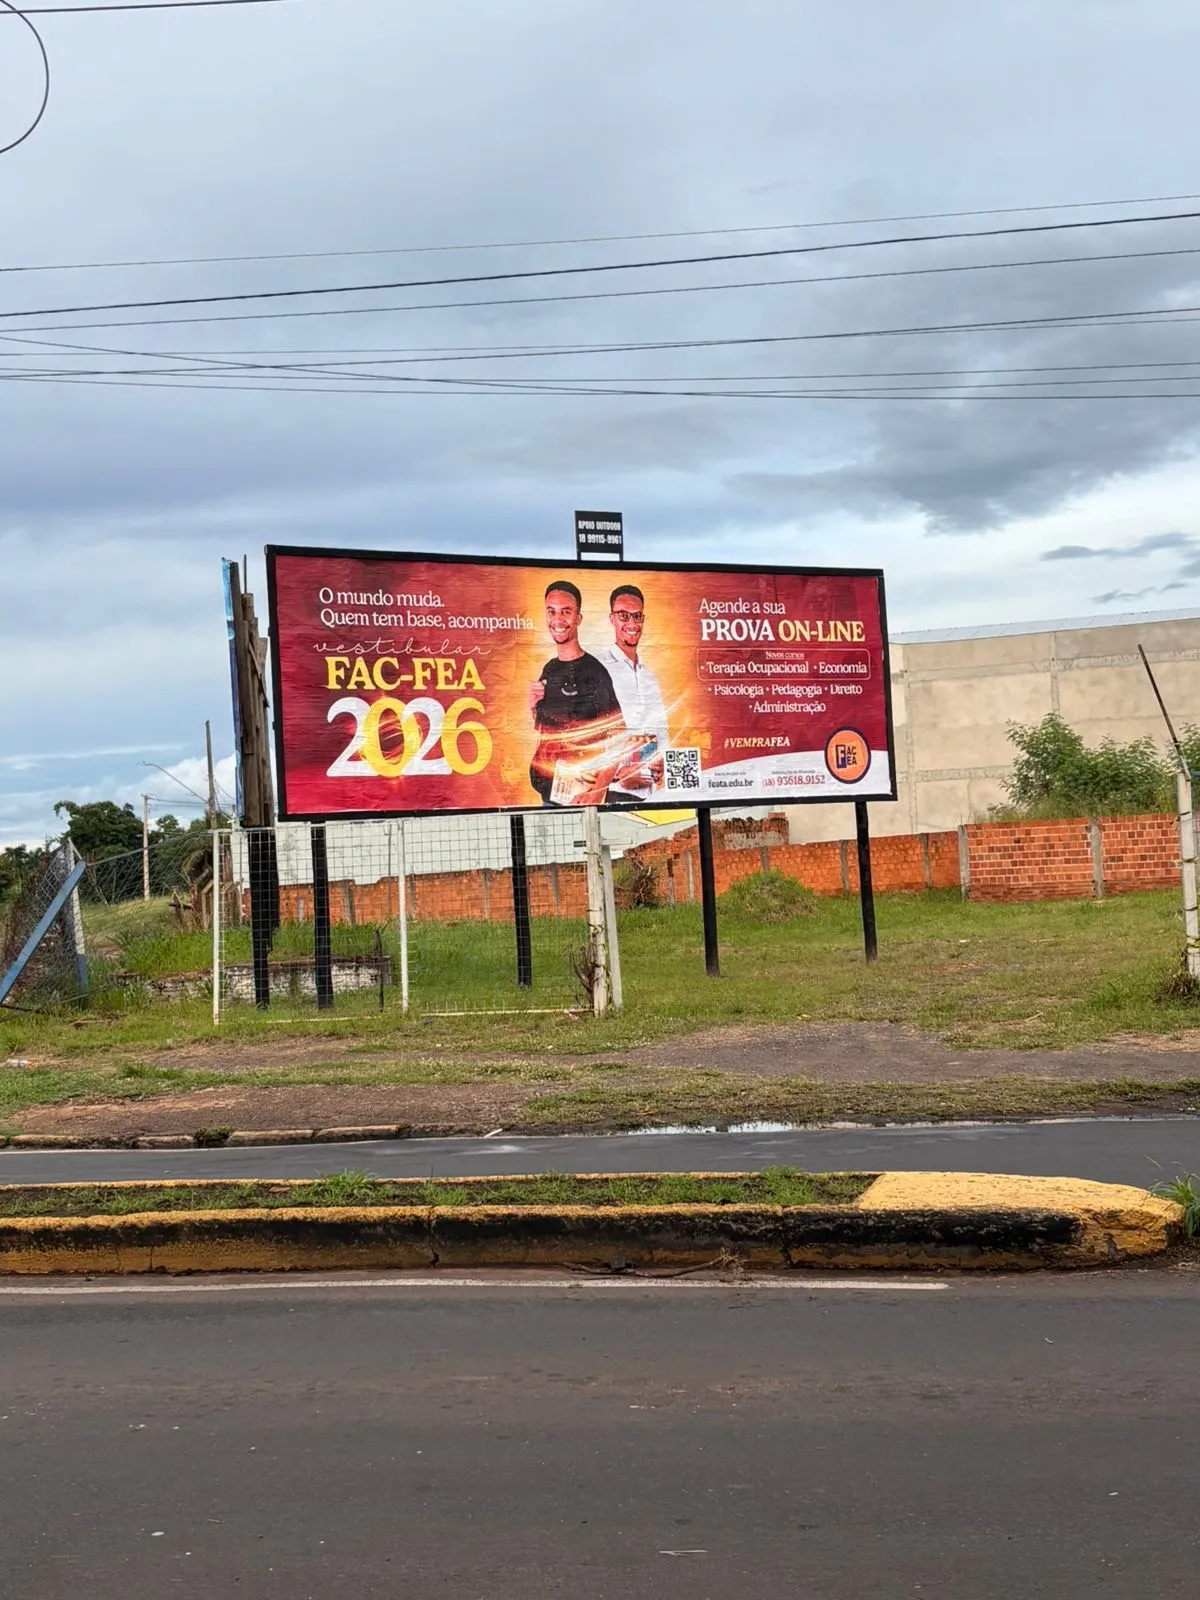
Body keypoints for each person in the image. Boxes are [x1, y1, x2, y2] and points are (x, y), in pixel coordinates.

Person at [528, 580, 625, 805]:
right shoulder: (550, 668)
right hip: (548, 795)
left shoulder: (594, 672)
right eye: (551, 611)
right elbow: (547, 730)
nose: (558, 619)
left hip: (578, 797)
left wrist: (597, 791)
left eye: (566, 612)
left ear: (578, 618)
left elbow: (620, 738)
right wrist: (533, 707)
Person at [598, 583, 670, 800]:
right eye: (623, 616)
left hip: (650, 793)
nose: (631, 623)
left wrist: (662, 763)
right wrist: (616, 775)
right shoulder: (597, 668)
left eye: (637, 616)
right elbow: (583, 734)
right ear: (612, 619)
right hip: (609, 794)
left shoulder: (649, 676)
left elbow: (661, 731)